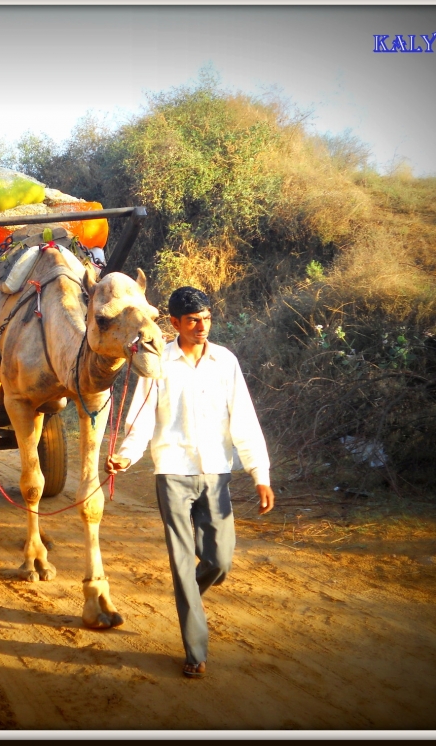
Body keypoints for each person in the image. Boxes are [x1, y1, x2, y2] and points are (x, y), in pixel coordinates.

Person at [105, 286, 275, 679]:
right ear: (175, 323)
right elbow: (142, 415)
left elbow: (244, 421)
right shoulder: (158, 362)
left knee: (219, 560)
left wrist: (260, 475)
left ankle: (188, 598)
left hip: (216, 472)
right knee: (182, 563)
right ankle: (195, 650)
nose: (202, 326)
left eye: (207, 318)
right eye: (193, 320)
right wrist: (126, 455)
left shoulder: (225, 362)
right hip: (172, 471)